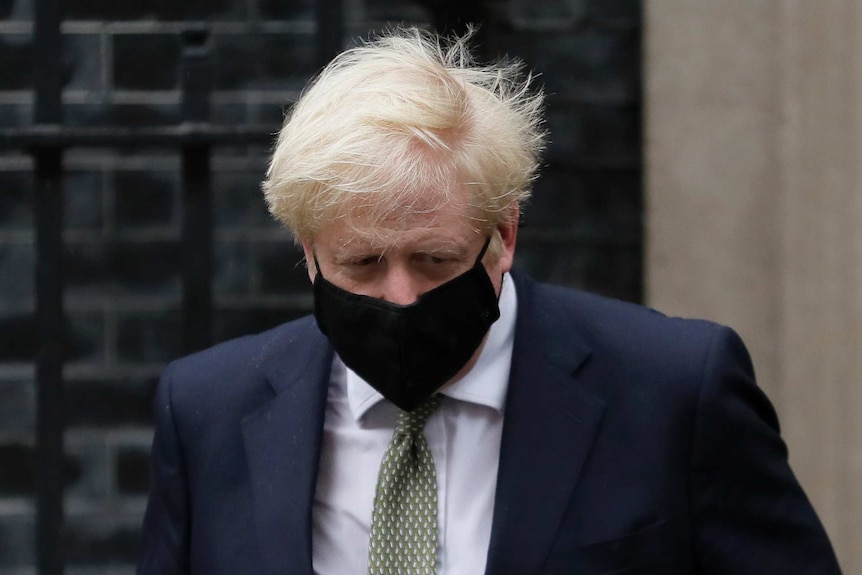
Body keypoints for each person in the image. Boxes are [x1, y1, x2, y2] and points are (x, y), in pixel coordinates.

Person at [138, 27, 842, 575]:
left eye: (434, 259)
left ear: (503, 234)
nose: (402, 295)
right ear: (307, 250)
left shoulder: (675, 390)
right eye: (362, 263)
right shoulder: (209, 411)